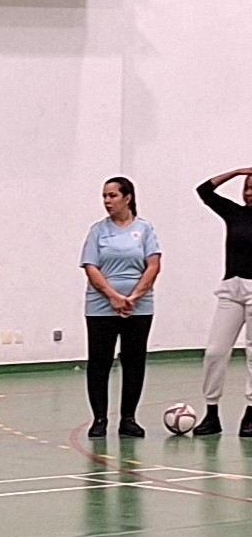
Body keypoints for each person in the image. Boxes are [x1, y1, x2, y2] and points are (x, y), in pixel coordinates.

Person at [77, 176, 161, 439]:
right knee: (99, 362)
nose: (107, 201)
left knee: (134, 361)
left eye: (112, 196)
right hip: (101, 307)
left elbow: (153, 265)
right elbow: (91, 267)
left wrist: (134, 297)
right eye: (104, 196)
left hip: (139, 307)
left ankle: (128, 419)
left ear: (128, 198)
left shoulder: (145, 230)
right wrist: (112, 296)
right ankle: (99, 418)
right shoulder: (98, 231)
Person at [194, 166, 252, 437]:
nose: (249, 192)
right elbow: (204, 191)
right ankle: (211, 412)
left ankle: (251, 413)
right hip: (231, 288)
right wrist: (237, 172)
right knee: (215, 351)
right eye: (247, 187)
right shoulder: (234, 212)